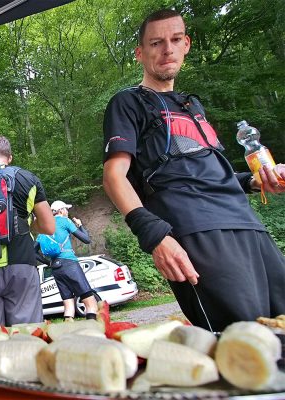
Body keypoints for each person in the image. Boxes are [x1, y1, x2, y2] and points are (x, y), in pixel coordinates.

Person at [102, 9, 285, 332]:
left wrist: (256, 181)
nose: (167, 49)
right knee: (246, 340)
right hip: (198, 231)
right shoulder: (128, 103)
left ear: (187, 44)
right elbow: (114, 176)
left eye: (174, 40)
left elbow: (211, 170)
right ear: (140, 53)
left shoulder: (191, 105)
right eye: (156, 43)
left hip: (248, 225)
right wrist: (156, 236)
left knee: (280, 328)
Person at [0, 135, 55, 327]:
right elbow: (49, 226)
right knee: (27, 333)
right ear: (9, 158)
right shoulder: (29, 179)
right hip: (22, 264)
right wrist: (28, 225)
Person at [36, 200, 97, 321]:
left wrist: (48, 263)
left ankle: (67, 333)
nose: (67, 212)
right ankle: (93, 330)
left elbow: (33, 252)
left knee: (68, 305)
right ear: (61, 211)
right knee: (91, 303)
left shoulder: (44, 226)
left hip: (56, 269)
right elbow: (86, 239)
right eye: (66, 209)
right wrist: (80, 225)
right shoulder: (65, 221)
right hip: (70, 264)